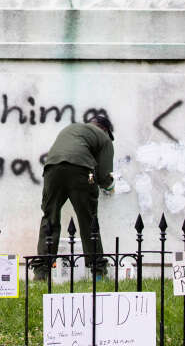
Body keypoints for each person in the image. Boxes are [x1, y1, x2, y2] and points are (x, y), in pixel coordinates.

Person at [34, 113, 115, 280]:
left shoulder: (71, 128)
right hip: (81, 170)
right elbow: (104, 175)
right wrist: (109, 185)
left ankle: (42, 272)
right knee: (88, 221)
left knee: (50, 217)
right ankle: (98, 272)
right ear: (105, 130)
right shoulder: (105, 139)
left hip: (52, 169)